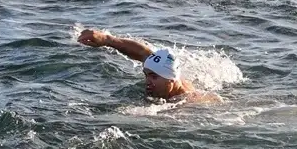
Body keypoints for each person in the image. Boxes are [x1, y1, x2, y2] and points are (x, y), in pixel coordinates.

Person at [77, 29, 215, 101]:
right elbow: (143, 53)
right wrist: (107, 39)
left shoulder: (190, 100)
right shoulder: (165, 73)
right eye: (146, 75)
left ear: (171, 79)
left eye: (153, 77)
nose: (147, 81)